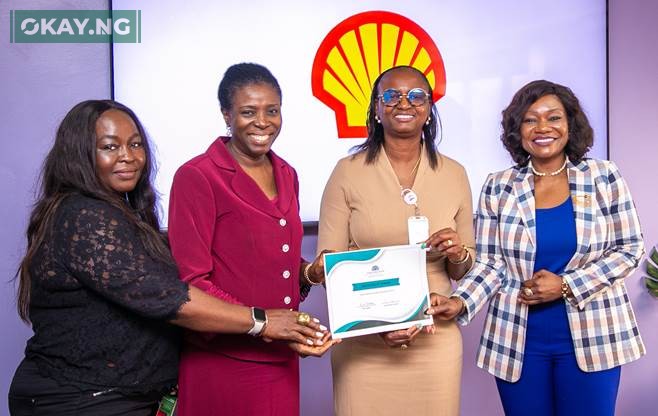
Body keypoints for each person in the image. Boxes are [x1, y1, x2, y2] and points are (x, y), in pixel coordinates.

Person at [8, 99, 328, 416]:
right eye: (110, 147)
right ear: (79, 155)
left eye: (135, 144)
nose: (128, 157)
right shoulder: (83, 217)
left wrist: (307, 274)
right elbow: (170, 299)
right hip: (80, 399)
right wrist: (265, 322)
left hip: (120, 397)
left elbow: (234, 266)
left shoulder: (123, 216)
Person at [429, 80, 646, 416]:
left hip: (595, 336)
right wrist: (459, 302)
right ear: (519, 130)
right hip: (517, 342)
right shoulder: (498, 186)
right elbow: (490, 264)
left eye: (554, 118)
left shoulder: (603, 175)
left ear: (570, 124)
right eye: (531, 120)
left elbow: (629, 248)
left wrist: (566, 285)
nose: (543, 128)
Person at [167, 62, 336, 416]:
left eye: (272, 111)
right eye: (248, 112)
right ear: (226, 115)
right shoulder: (197, 177)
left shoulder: (287, 173)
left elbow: (274, 262)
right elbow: (191, 283)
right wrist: (263, 323)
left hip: (281, 356)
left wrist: (310, 274)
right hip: (223, 359)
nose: (263, 122)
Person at [317, 65, 475, 416]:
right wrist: (378, 324)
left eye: (417, 95)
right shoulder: (347, 171)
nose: (405, 102)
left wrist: (458, 251)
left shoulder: (455, 173)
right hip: (363, 345)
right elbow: (329, 264)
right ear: (376, 108)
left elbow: (464, 269)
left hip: (434, 339)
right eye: (391, 95)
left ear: (430, 109)